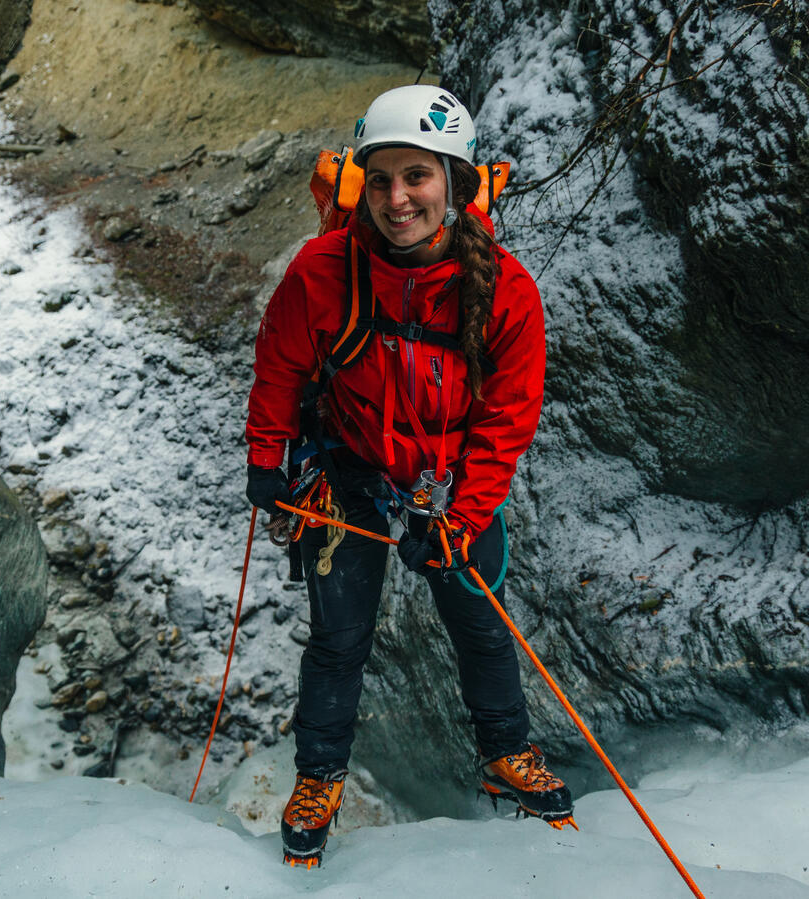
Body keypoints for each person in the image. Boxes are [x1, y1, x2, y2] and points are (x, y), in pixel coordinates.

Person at [243, 84, 569, 868]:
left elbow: (507, 417)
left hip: (452, 480)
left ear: (454, 182)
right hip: (348, 465)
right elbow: (281, 363)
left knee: (479, 623)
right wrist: (265, 459)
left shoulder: (507, 293)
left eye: (416, 176)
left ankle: (504, 753)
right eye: (381, 178)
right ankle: (318, 777)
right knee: (338, 637)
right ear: (360, 184)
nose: (397, 199)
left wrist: (461, 517)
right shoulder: (324, 270)